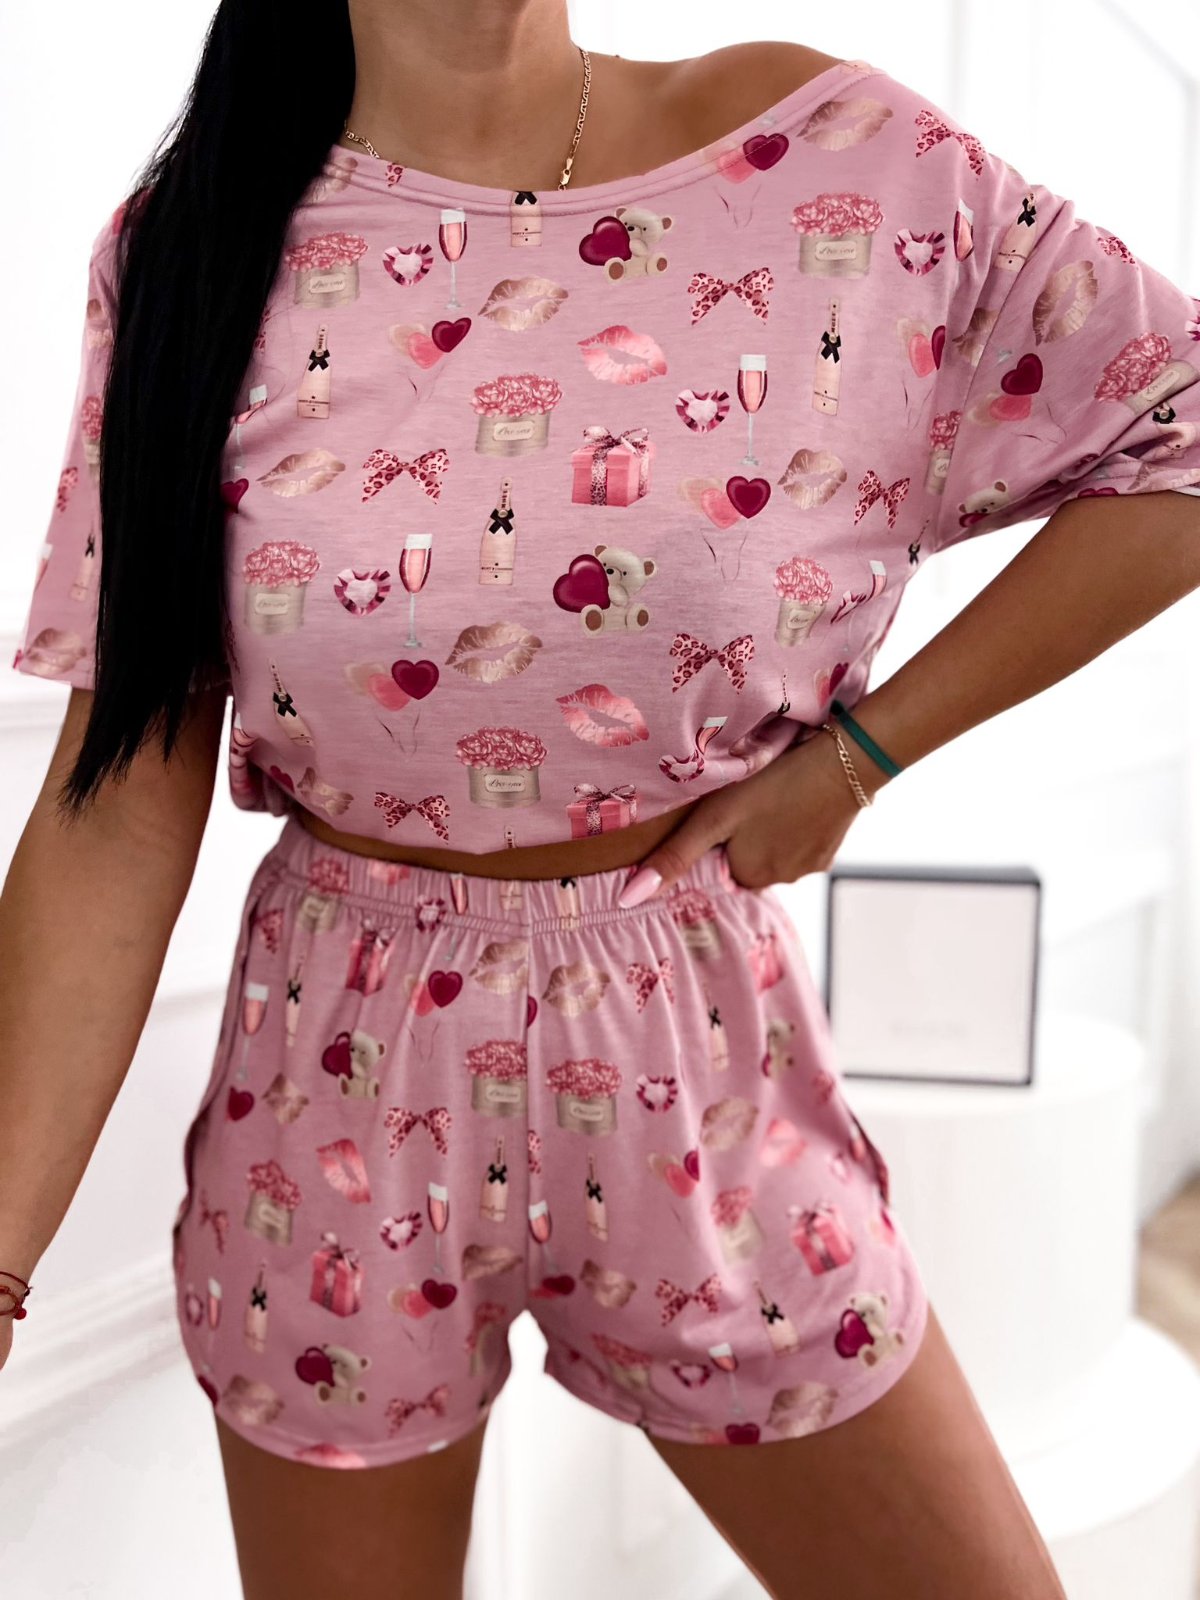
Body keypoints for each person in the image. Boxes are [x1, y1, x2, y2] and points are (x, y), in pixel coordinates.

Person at [4, 4, 1200, 1597]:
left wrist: (866, 752)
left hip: (690, 1036)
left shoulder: (841, 163)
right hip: (333, 1070)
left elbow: (1181, 431)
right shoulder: (192, 246)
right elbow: (119, 787)